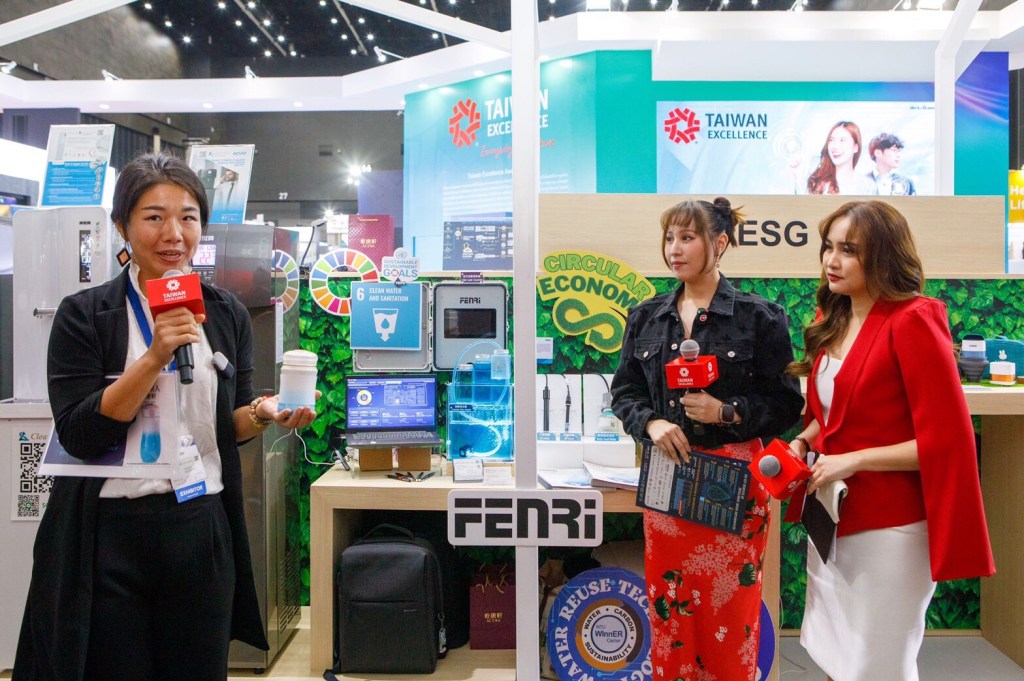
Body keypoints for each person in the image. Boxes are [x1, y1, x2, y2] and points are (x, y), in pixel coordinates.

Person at [14, 153, 318, 681]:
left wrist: (263, 413)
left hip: (199, 526)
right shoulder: (84, 314)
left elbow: (227, 424)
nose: (174, 234)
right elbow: (80, 434)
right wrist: (155, 356)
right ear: (122, 227)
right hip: (109, 534)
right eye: (154, 217)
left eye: (188, 217)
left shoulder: (224, 313)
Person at [785, 200, 994, 681]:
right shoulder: (835, 316)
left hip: (891, 527)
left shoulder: (913, 319)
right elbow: (829, 415)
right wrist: (804, 442)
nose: (832, 261)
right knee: (837, 655)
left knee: (876, 665)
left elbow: (945, 442)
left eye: (849, 250)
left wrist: (852, 461)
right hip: (833, 517)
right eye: (828, 247)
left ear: (882, 255)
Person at [611, 198, 803, 680]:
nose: (674, 250)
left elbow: (786, 404)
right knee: (669, 610)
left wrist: (726, 411)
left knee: (730, 612)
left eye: (687, 238)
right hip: (668, 479)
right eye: (669, 238)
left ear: (720, 243)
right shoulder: (646, 317)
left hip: (733, 480)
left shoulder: (760, 317)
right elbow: (626, 392)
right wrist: (651, 424)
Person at [806, 121, 873, 195]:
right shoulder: (817, 183)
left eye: (842, 140)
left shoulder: (868, 186)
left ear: (856, 147)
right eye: (831, 140)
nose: (835, 146)